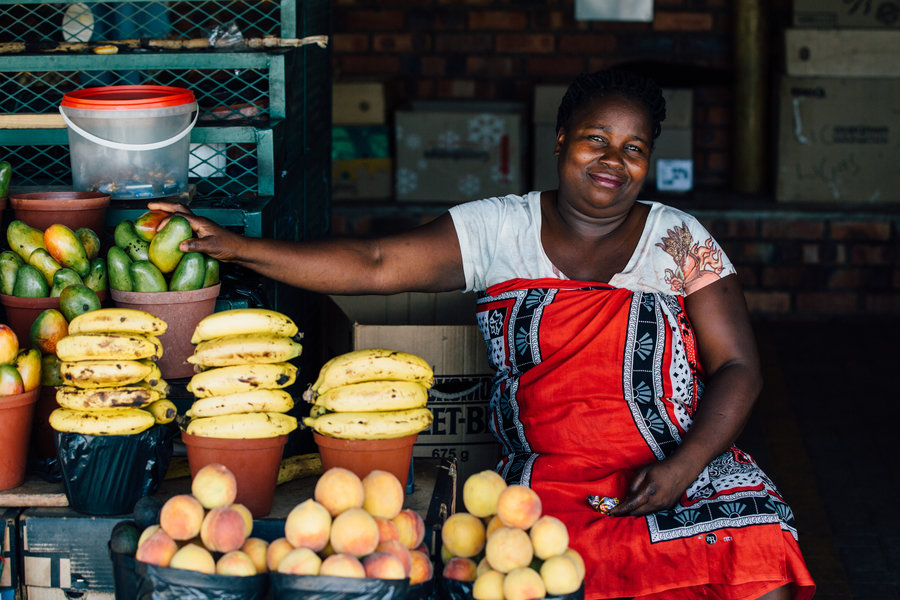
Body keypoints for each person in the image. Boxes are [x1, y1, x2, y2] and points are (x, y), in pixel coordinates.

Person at [150, 69, 815, 599]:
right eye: (596, 139)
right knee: (536, 565)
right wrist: (237, 247)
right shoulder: (501, 229)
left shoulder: (679, 239)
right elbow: (374, 264)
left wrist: (682, 468)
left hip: (679, 463)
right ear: (561, 139)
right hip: (552, 475)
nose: (613, 160)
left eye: (634, 148)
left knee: (760, 556)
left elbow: (739, 367)